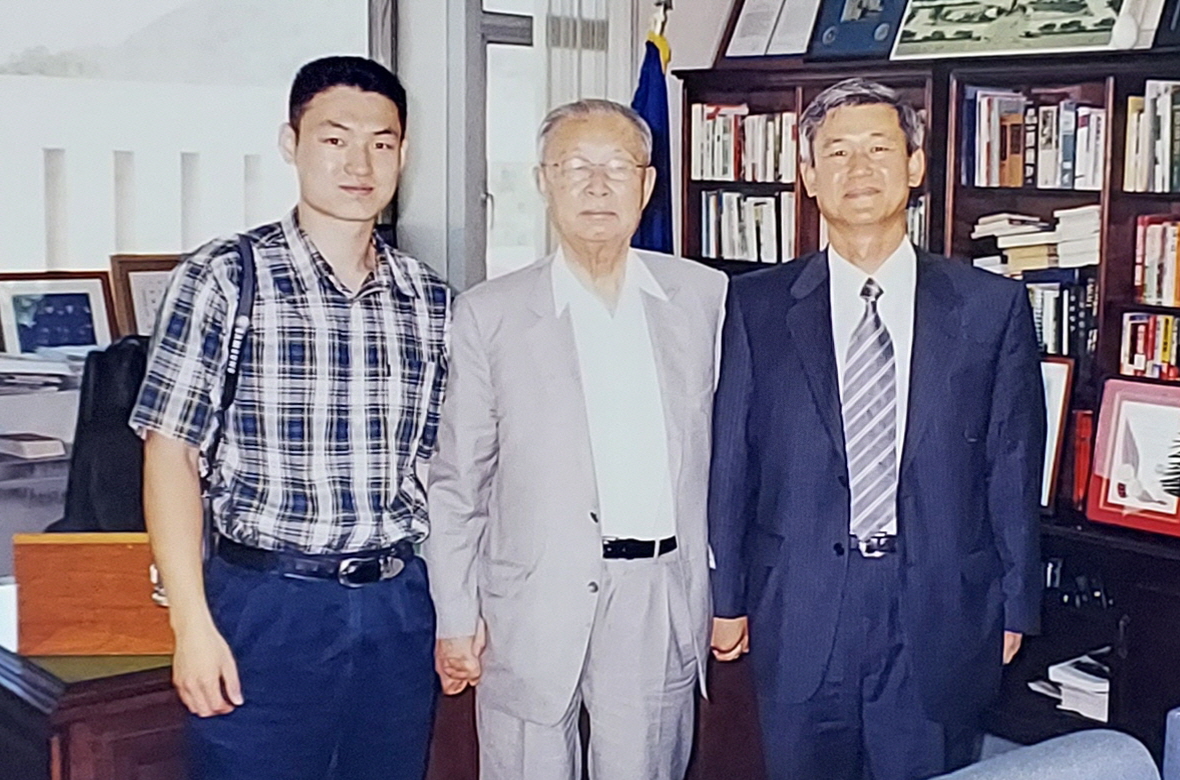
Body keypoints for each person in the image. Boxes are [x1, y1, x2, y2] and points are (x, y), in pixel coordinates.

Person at [708, 78, 1046, 780]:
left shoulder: (991, 307)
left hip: (940, 603)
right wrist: (727, 598)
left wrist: (1016, 603)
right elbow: (732, 462)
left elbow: (1012, 465)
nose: (858, 169)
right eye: (836, 152)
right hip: (800, 604)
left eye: (879, 149)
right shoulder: (754, 306)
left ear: (915, 166)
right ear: (809, 177)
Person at [130, 56, 450, 780]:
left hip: (399, 605)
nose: (359, 164)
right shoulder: (224, 277)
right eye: (334, 139)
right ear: (291, 143)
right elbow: (170, 453)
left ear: (403, 153)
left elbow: (440, 469)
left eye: (381, 143)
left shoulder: (430, 300)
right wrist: (191, 624)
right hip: (268, 604)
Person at [423, 99, 726, 780]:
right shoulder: (489, 313)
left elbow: (733, 458)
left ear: (647, 185)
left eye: (617, 167)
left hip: (655, 597)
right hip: (528, 602)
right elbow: (458, 482)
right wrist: (456, 614)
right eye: (575, 167)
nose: (597, 185)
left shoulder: (704, 299)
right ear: (543, 181)